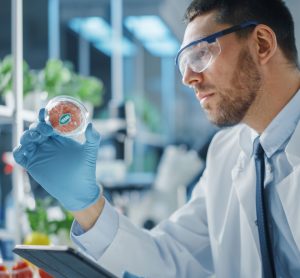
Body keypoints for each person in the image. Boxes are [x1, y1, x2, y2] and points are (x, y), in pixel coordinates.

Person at [13, 0, 300, 277]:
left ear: (261, 43)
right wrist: (85, 204)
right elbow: (168, 260)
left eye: (200, 55)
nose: (187, 78)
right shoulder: (225, 152)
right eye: (183, 63)